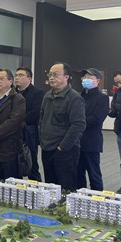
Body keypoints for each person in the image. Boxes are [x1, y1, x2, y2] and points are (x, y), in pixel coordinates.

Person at [39, 62, 86, 191]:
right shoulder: (47, 96)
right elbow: (41, 119)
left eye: (55, 74)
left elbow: (78, 125)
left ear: (66, 77)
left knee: (66, 188)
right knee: (50, 187)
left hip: (65, 151)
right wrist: (42, 140)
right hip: (46, 149)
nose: (51, 78)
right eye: (50, 75)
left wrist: (62, 147)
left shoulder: (74, 98)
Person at [77, 68, 109, 191]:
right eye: (84, 78)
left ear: (98, 81)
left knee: (94, 175)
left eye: (90, 78)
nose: (86, 80)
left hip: (91, 142)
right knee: (78, 175)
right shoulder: (78, 96)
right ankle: (79, 198)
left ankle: (97, 198)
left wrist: (78, 121)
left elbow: (96, 119)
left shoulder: (102, 98)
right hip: (76, 141)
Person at [15, 67, 44, 181]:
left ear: (29, 78)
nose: (17, 77)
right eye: (16, 75)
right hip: (13, 133)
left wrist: (16, 120)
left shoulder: (37, 92)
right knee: (15, 165)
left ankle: (36, 188)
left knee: (31, 164)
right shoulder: (12, 92)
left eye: (21, 75)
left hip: (29, 133)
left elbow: (36, 112)